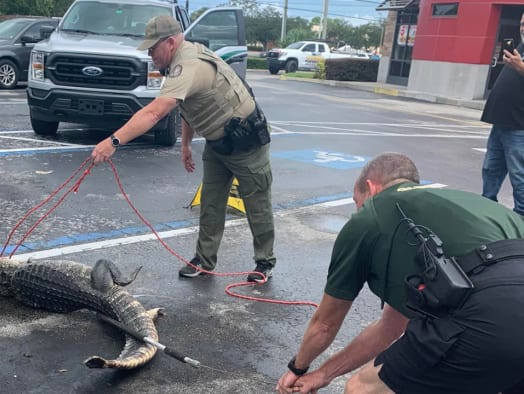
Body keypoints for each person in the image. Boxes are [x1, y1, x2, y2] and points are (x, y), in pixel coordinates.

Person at [276, 152, 524, 394]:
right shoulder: (469, 204)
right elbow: (391, 327)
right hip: (504, 307)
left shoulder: (370, 217)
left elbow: (325, 325)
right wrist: (322, 375)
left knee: (362, 389)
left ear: (371, 187)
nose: (357, 210)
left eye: (356, 201)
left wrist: (297, 368)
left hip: (489, 312)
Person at [90, 15, 276, 282]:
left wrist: (113, 141)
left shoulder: (188, 64)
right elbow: (190, 106)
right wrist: (186, 144)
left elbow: (155, 113)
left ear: (170, 42)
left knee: (257, 204)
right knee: (211, 204)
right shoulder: (177, 63)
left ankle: (264, 263)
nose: (151, 55)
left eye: (153, 49)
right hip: (217, 143)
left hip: (247, 143)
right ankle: (204, 260)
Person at [481, 12, 524, 216]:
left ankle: (520, 219)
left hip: (519, 126)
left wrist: (521, 67)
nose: (523, 28)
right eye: (522, 23)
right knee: (491, 170)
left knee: (520, 176)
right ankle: (487, 211)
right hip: (500, 122)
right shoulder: (520, 47)